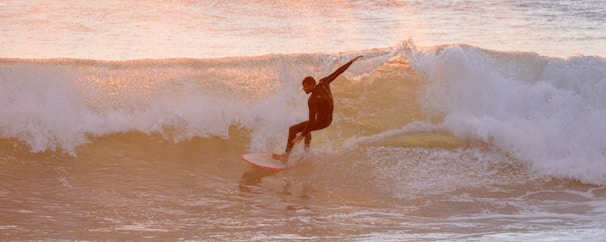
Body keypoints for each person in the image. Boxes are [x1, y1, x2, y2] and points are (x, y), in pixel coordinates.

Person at [273, 55, 363, 162]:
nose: (303, 89)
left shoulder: (312, 100)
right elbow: (338, 72)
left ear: (311, 85)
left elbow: (311, 121)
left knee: (293, 129)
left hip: (321, 122)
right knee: (307, 129)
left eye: (305, 86)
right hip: (328, 120)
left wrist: (301, 135)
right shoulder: (324, 82)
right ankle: (306, 153)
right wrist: (351, 61)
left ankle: (286, 155)